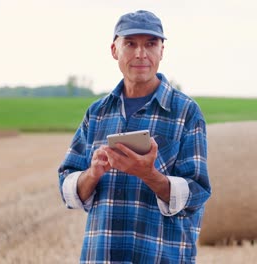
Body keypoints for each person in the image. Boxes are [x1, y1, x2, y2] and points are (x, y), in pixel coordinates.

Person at [58, 10, 211, 263]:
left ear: (162, 50)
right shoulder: (96, 114)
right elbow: (67, 189)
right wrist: (92, 173)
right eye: (131, 43)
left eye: (150, 44)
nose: (141, 53)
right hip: (102, 256)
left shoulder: (186, 112)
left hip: (161, 256)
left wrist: (148, 174)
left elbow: (198, 193)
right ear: (114, 50)